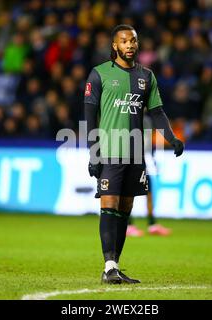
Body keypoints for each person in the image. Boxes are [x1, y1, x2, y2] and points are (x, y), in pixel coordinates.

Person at [84, 24, 184, 285]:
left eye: (133, 41)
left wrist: (171, 138)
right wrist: (93, 152)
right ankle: (108, 266)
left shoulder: (147, 76)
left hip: (136, 154)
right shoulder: (99, 74)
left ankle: (114, 266)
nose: (130, 45)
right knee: (109, 204)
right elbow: (89, 116)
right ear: (115, 46)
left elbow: (157, 112)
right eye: (124, 41)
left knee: (125, 210)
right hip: (110, 151)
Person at [126, 115, 172, 237]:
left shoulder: (146, 120)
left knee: (149, 193)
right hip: (131, 160)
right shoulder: (128, 117)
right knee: (130, 194)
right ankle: (128, 225)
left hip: (143, 161)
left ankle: (152, 224)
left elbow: (148, 143)